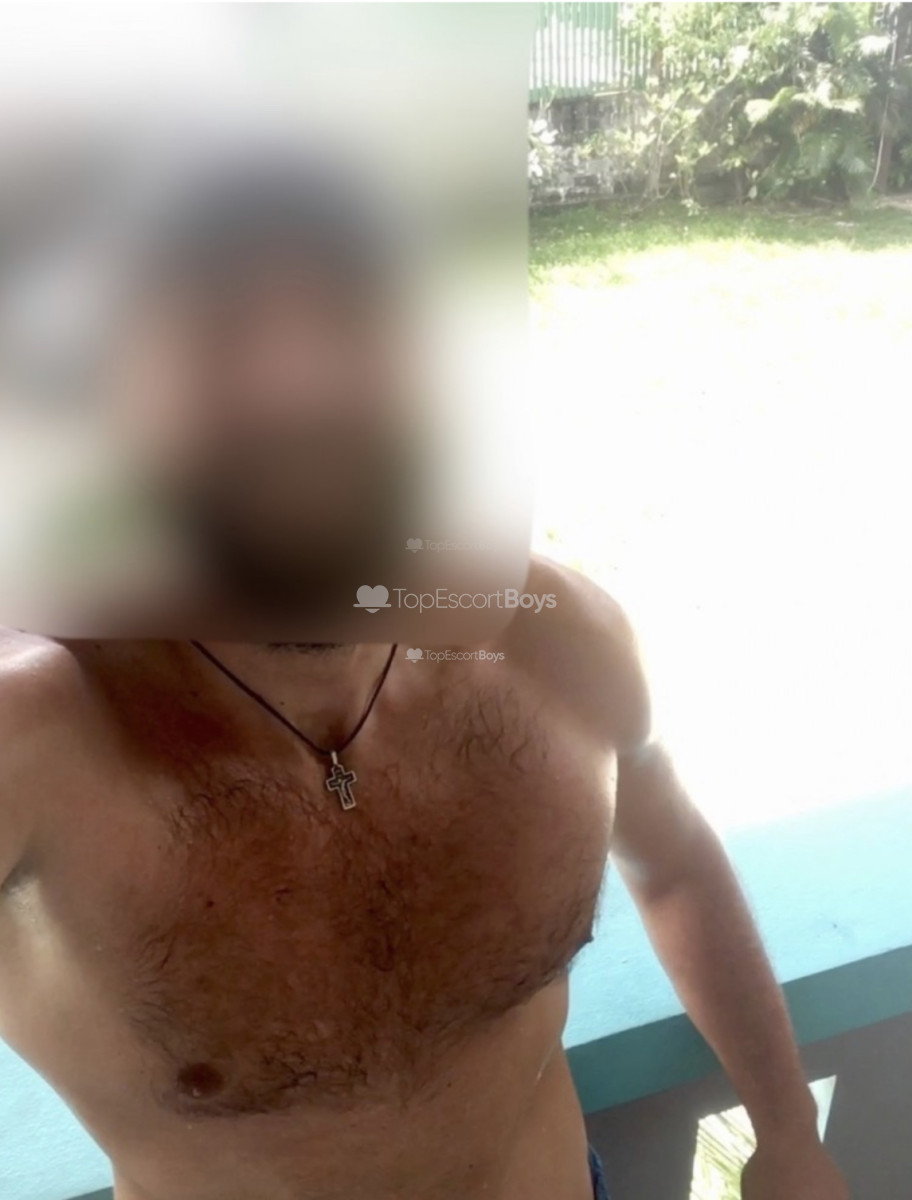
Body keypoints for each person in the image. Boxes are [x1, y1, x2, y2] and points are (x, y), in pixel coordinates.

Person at [0, 146, 848, 1200]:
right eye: (219, 331)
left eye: (355, 317)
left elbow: (674, 861)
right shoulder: (36, 739)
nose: (302, 391)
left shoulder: (554, 638)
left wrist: (788, 1133)